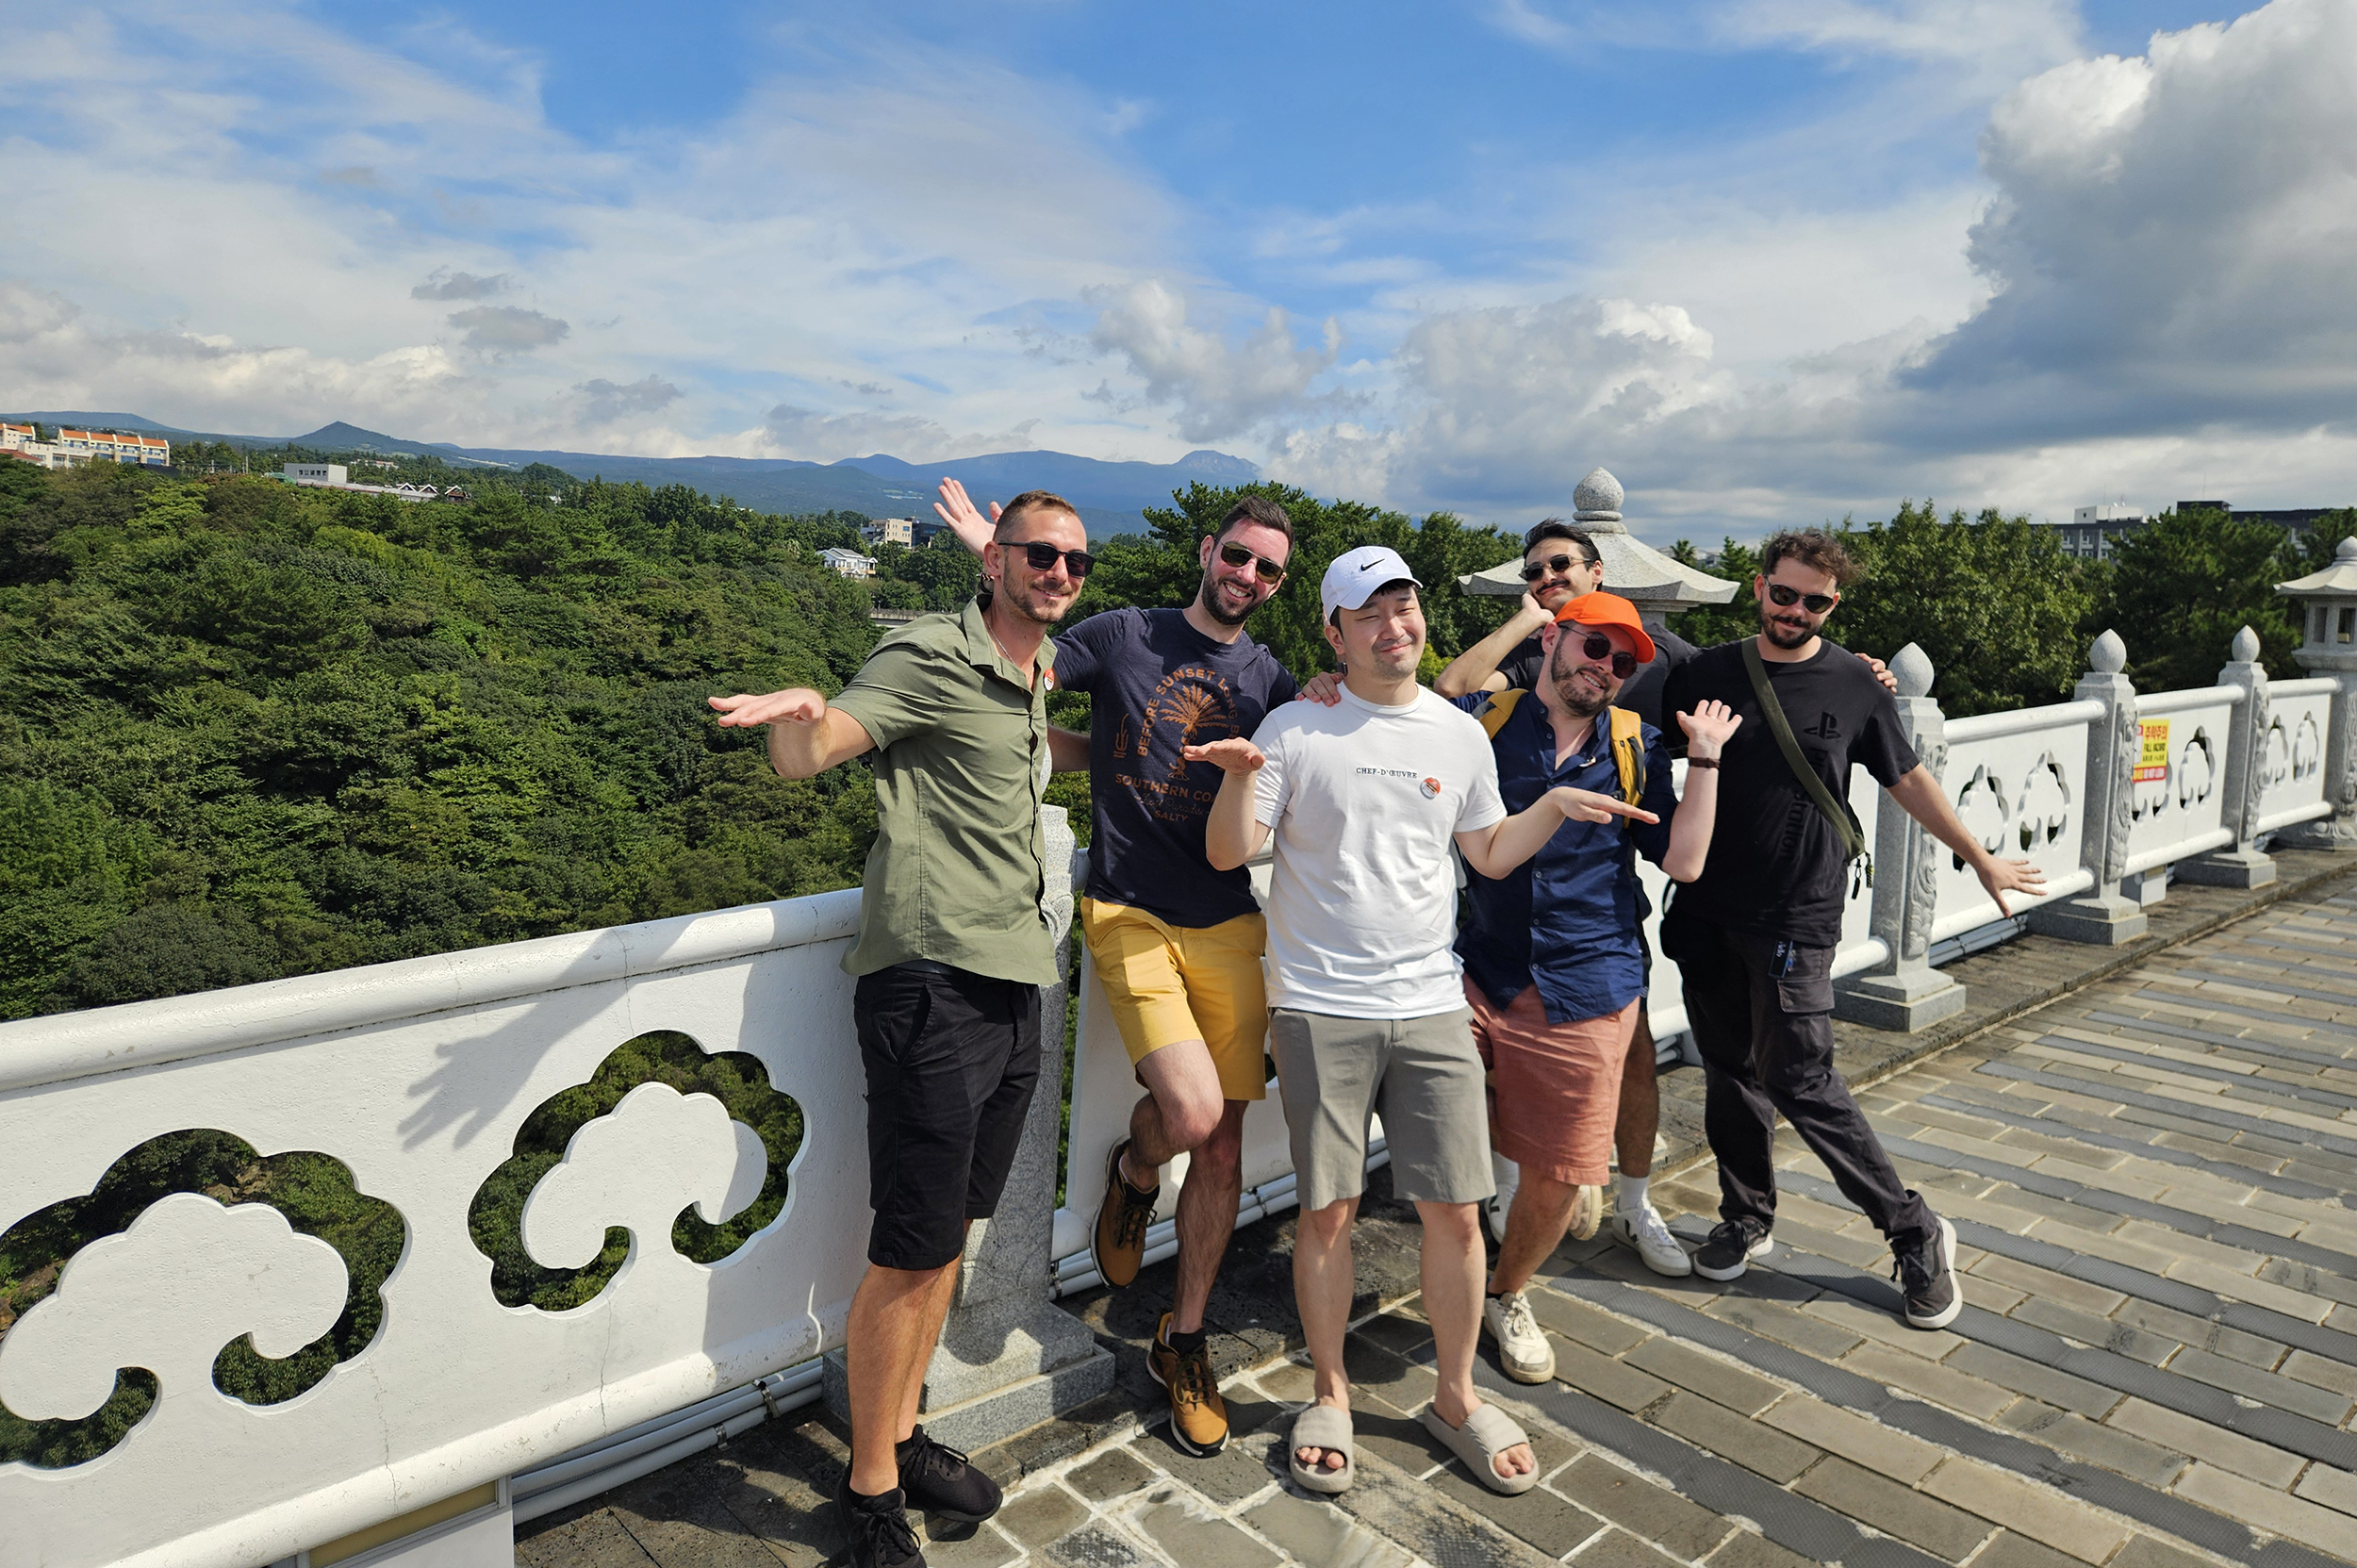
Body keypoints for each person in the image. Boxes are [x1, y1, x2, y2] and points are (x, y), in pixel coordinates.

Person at [1192, 547, 1655, 1498]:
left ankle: (1452, 1395)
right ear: (1335, 632)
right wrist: (1241, 776)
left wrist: (1554, 808)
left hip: (1432, 1002)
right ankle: (1330, 1392)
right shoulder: (1295, 726)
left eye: (1403, 608)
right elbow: (1228, 850)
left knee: (1453, 1210)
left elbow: (1484, 853)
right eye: (1369, 614)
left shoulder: (1458, 733)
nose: (1392, 626)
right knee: (1328, 1209)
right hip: (1321, 1004)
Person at [707, 490, 1092, 1568]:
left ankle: (904, 1432)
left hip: (1015, 986)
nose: (1059, 573)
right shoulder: (930, 654)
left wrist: (1146, 754)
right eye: (1039, 555)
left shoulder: (1027, 677)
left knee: (946, 1239)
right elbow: (819, 747)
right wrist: (799, 716)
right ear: (996, 563)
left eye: (1074, 560)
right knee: (910, 1249)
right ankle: (870, 1488)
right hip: (933, 985)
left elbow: (1039, 752)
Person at [931, 481, 1303, 1460]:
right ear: (1204, 550)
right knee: (1187, 1118)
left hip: (1229, 919)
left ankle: (1184, 1342)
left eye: (1268, 568)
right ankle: (1135, 1169)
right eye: (1237, 556)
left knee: (1222, 1147)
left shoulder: (1272, 680)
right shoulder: (1126, 633)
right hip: (1130, 909)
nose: (1248, 577)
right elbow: (1017, 664)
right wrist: (992, 555)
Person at [1435, 520, 1892, 1278]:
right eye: (1538, 569)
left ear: (1598, 570)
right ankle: (1507, 1191)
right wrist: (1532, 616)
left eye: (1564, 567)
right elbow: (1442, 696)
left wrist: (1851, 673)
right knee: (1480, 1089)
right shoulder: (1499, 707)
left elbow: (1755, 685)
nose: (1609, 663)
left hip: (1598, 950)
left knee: (1631, 1067)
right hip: (1492, 950)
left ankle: (1626, 1201)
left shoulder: (1644, 704)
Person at [1659, 528, 2044, 1329]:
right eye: (1783, 593)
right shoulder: (1706, 672)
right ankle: (1747, 1215)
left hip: (1797, 914)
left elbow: (1907, 777)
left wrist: (1979, 855)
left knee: (1801, 1079)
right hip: (1707, 911)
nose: (1794, 610)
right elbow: (1611, 716)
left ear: (1835, 605)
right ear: (1759, 585)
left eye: (1815, 600)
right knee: (1729, 1068)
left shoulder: (1856, 684)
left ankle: (1914, 1228)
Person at [1449, 590, 1741, 1382]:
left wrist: (1706, 755)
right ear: (1556, 637)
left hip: (1588, 973)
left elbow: (1682, 861)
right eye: (1592, 646)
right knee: (1428, 1115)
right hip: (1480, 965)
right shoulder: (1488, 719)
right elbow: (1432, 694)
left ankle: (1507, 1291)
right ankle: (1476, 1242)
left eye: (1622, 660)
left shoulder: (1635, 742)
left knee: (1567, 1170)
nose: (1605, 667)